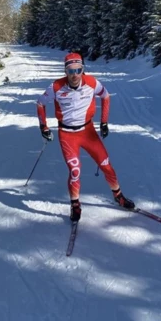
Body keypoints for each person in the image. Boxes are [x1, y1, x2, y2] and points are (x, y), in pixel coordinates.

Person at [36, 52, 135, 221]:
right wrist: (43, 127)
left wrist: (104, 122)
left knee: (106, 165)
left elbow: (106, 96)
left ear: (83, 69)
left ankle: (118, 196)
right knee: (75, 171)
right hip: (67, 135)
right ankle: (75, 204)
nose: (74, 75)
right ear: (65, 71)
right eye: (70, 71)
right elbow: (40, 103)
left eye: (78, 70)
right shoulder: (56, 87)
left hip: (88, 132)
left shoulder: (91, 82)